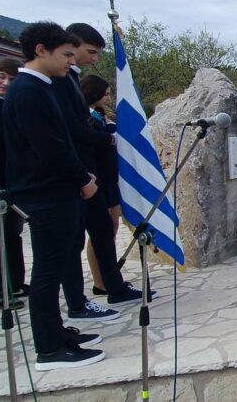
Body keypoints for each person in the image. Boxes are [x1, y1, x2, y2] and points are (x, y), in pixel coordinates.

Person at [3, 22, 104, 369]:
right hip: (45, 193)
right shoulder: (27, 91)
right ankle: (49, 348)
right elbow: (49, 147)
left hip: (56, 190)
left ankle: (58, 333)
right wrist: (82, 178)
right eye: (65, 55)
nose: (70, 62)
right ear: (41, 50)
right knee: (47, 273)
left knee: (58, 263)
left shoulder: (41, 86)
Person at [50, 24, 124, 322]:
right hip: (77, 176)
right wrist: (108, 139)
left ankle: (114, 286)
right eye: (89, 52)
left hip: (90, 174)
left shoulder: (69, 78)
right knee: (73, 243)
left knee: (104, 230)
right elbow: (71, 131)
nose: (93, 59)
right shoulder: (58, 81)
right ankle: (77, 303)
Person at [79, 74, 147, 306]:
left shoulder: (101, 115)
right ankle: (100, 281)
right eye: (105, 94)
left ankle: (110, 276)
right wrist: (109, 138)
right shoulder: (85, 116)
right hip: (98, 177)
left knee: (111, 230)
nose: (108, 98)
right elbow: (90, 141)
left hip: (110, 178)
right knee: (100, 233)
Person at [0, 58, 27, 310]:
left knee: (12, 235)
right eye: (1, 76)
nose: (5, 83)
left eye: (11, 80)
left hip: (12, 182)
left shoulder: (10, 106)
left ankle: (15, 283)